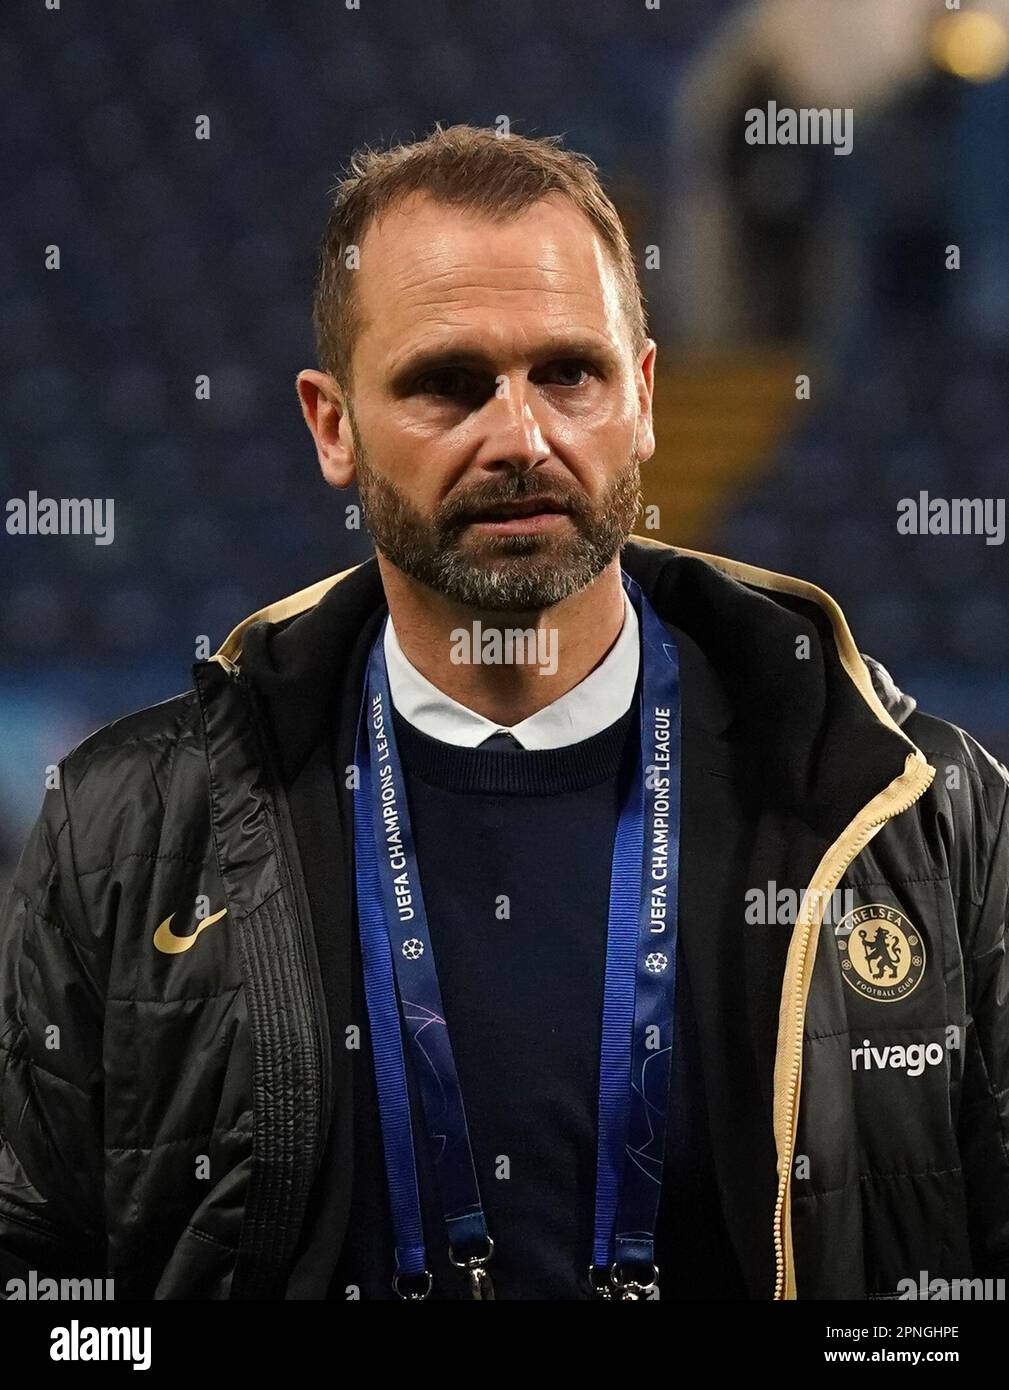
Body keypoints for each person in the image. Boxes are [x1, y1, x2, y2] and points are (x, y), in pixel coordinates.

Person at [1, 125, 1006, 1302]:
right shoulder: (125, 829)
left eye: (567, 373)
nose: (520, 438)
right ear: (333, 425)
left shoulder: (915, 813)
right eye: (447, 383)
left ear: (643, 395)